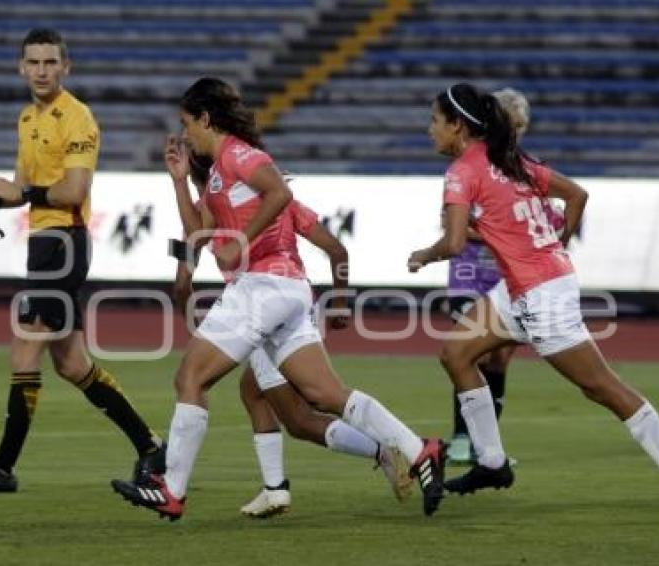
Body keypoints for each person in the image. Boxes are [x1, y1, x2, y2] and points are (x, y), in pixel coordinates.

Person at [111, 77, 445, 521]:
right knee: (324, 395)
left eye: (187, 123)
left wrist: (240, 244)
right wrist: (177, 182)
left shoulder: (240, 155)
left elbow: (280, 192)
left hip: (262, 286)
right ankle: (417, 448)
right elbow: (196, 233)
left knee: (190, 377)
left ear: (206, 119)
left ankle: (173, 489)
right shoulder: (216, 177)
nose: (185, 133)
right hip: (287, 292)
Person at [407, 82, 659, 523]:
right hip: (523, 287)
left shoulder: (462, 172)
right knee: (456, 353)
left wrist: (423, 255)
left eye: (434, 121)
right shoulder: (512, 159)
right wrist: (556, 244)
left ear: (457, 125)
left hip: (540, 293)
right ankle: (492, 463)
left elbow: (453, 243)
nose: (429, 129)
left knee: (600, 386)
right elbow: (577, 195)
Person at [0, 28, 165, 493]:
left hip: (64, 243)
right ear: (21, 68)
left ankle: (2, 468)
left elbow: (73, 192)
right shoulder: (27, 119)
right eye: (34, 62)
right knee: (72, 364)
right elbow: (22, 191)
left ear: (66, 67)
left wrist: (18, 191)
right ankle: (150, 446)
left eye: (50, 62)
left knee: (25, 349)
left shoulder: (77, 118)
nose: (42, 70)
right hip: (44, 243)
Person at [169, 148, 412, 517]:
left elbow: (184, 275)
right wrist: (342, 301)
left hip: (262, 307)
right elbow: (336, 249)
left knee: (301, 417)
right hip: (293, 299)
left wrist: (190, 311)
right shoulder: (279, 203)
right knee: (253, 392)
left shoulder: (216, 209)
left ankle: (388, 450)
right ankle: (275, 488)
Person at [445, 87, 558, 464]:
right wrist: (500, 233)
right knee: (469, 352)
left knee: (499, 359)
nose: (516, 133)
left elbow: (548, 220)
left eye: (521, 127)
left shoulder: (527, 166)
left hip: (510, 275)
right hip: (470, 270)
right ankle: (462, 437)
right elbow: (452, 223)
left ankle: (485, 448)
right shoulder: (470, 164)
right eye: (511, 125)